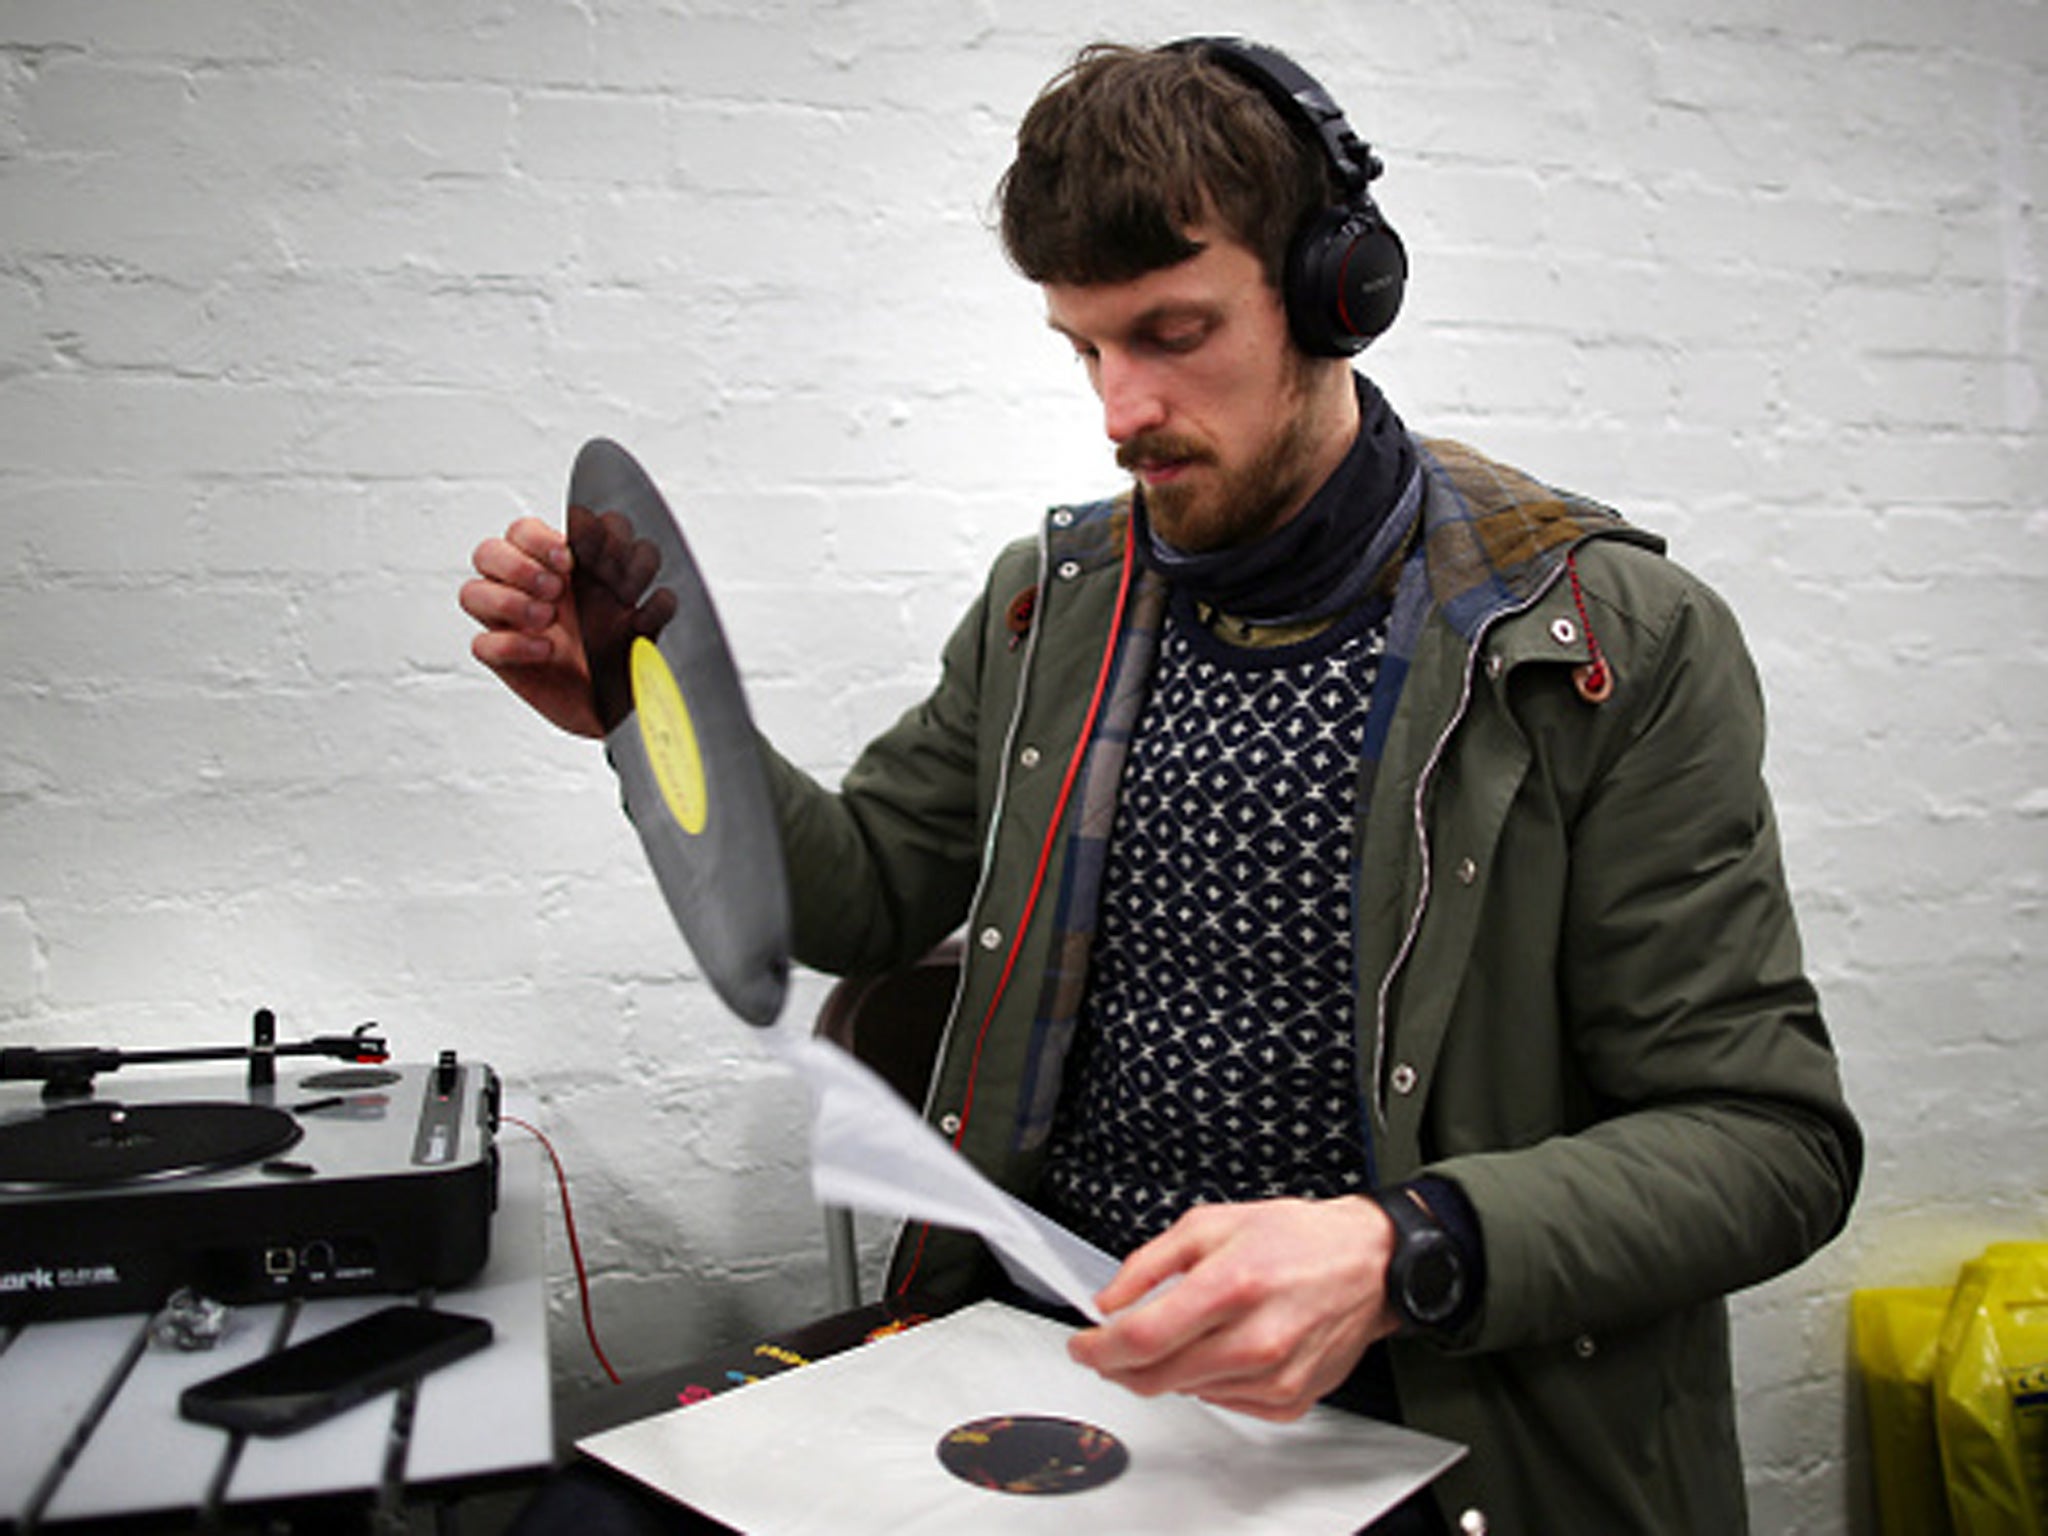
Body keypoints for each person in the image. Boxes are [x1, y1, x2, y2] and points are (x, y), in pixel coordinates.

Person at [463, 37, 1861, 1536]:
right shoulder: (1053, 604)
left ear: (1338, 296)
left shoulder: (1602, 644)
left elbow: (1768, 1141)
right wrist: (637, 708)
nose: (1121, 410)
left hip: (1411, 1416)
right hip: (1051, 1362)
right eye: (1085, 349)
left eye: (1174, 333)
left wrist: (1401, 1250)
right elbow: (865, 891)